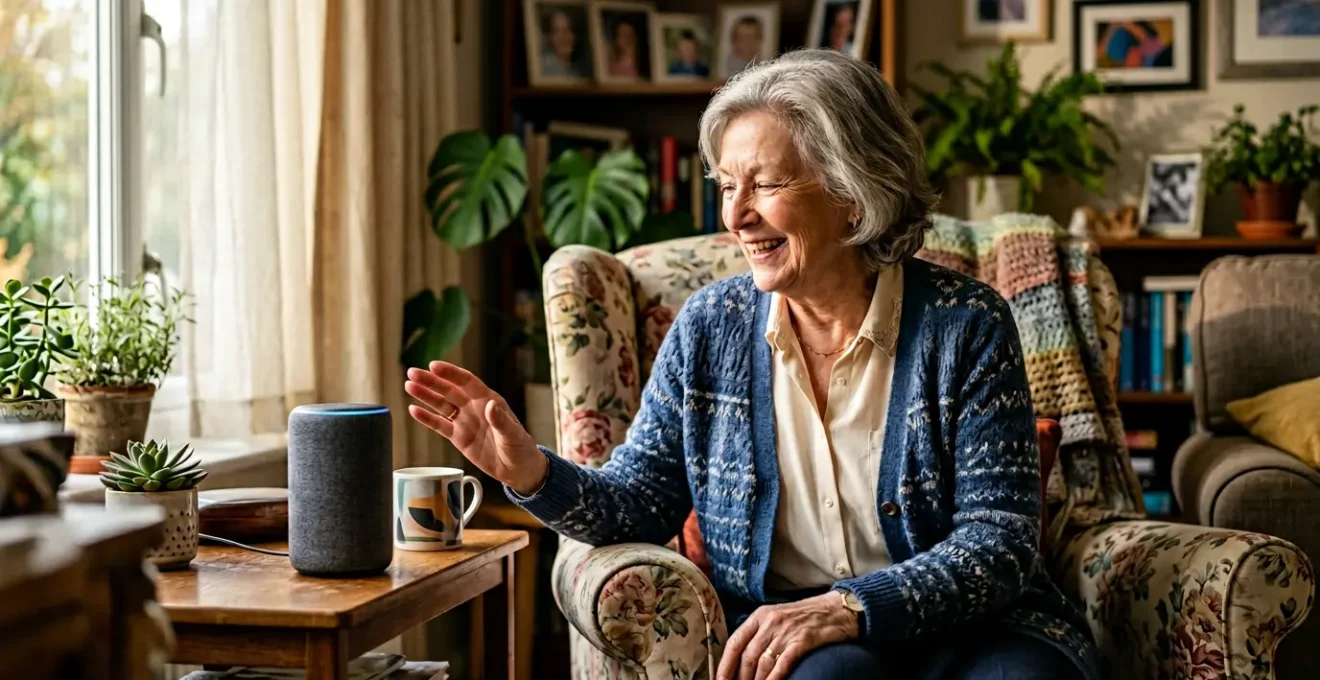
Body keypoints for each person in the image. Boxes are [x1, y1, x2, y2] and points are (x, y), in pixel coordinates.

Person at [406, 49, 1099, 680]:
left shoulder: (964, 323)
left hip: (974, 628)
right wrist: (527, 468)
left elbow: (999, 541)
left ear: (854, 191)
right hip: (799, 635)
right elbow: (638, 504)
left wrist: (852, 605)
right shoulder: (711, 329)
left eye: (763, 185)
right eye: (725, 185)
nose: (735, 215)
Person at [541, 8, 585, 78]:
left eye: (568, 30)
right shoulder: (542, 68)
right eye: (557, 31)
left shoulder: (577, 72)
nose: (563, 37)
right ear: (550, 37)